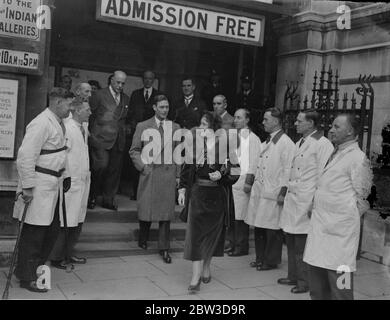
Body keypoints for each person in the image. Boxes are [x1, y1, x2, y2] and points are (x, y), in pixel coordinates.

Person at [303, 114, 373, 300]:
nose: (331, 130)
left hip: (340, 233)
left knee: (341, 285)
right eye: (332, 126)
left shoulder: (358, 158)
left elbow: (364, 198)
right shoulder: (336, 152)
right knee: (317, 283)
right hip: (321, 228)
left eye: (337, 126)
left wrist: (343, 218)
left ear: (350, 131)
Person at [13, 88, 74, 292]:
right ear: (57, 103)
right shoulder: (41, 123)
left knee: (50, 230)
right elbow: (25, 156)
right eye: (68, 104)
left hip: (52, 185)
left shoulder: (58, 122)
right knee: (35, 232)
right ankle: (26, 276)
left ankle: (32, 269)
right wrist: (28, 187)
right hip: (39, 186)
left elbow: (59, 154)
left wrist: (65, 176)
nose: (70, 108)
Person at [178, 112, 239, 294]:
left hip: (217, 195)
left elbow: (236, 171)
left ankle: (206, 267)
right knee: (196, 235)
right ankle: (195, 277)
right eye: (200, 125)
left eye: (205, 125)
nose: (201, 129)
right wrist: (181, 189)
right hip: (198, 193)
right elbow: (186, 168)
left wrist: (222, 175)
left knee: (212, 235)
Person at [278, 109, 334, 294]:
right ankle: (293, 275)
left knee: (303, 244)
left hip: (307, 200)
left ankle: (304, 281)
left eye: (299, 121)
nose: (295, 123)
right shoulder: (299, 142)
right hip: (294, 199)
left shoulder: (323, 144)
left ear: (311, 123)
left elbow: (324, 177)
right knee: (292, 240)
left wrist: (315, 202)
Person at [129, 94, 180, 264]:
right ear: (154, 108)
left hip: (167, 174)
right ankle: (143, 237)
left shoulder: (175, 127)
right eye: (162, 107)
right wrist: (143, 167)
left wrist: (178, 175)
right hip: (150, 173)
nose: (165, 110)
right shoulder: (143, 126)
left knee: (165, 214)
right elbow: (134, 150)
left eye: (167, 107)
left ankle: (164, 248)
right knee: (147, 208)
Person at [245, 107, 295, 271]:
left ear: (276, 121)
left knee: (272, 228)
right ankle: (260, 257)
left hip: (274, 191)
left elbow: (288, 170)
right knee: (259, 225)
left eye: (266, 119)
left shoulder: (286, 143)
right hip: (261, 189)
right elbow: (255, 163)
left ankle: (271, 260)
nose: (263, 122)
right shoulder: (266, 141)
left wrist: (283, 192)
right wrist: (250, 182)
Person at [50, 100, 92, 269]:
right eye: (87, 110)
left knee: (77, 219)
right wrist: (66, 177)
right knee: (65, 219)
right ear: (77, 110)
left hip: (82, 179)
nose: (90, 112)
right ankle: (57, 256)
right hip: (71, 181)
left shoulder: (83, 128)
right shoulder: (67, 127)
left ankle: (69, 253)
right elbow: (63, 155)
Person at [88, 70, 130, 210]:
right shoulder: (98, 95)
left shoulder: (126, 98)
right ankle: (92, 196)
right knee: (100, 167)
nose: (120, 85)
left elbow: (124, 120)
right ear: (111, 80)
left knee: (114, 171)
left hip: (118, 140)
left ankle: (108, 200)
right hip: (100, 138)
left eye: (123, 83)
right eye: (118, 82)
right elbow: (90, 115)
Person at [227, 109, 262, 257]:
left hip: (243, 181)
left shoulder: (252, 139)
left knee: (241, 216)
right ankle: (232, 243)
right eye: (235, 117)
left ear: (247, 120)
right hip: (234, 179)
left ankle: (241, 246)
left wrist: (248, 182)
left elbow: (254, 162)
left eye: (239, 118)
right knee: (232, 215)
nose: (236, 120)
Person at [125, 70, 163, 200]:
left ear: (154, 80)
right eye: (146, 78)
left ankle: (149, 192)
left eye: (150, 79)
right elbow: (130, 113)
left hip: (153, 134)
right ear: (143, 79)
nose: (148, 81)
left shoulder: (159, 95)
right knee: (138, 161)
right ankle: (136, 192)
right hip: (138, 132)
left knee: (151, 162)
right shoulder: (136, 94)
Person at [235, 75, 266, 140]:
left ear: (250, 84)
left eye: (247, 83)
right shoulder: (239, 95)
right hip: (241, 120)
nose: (245, 85)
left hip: (252, 121)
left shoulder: (256, 95)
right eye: (244, 83)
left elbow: (259, 109)